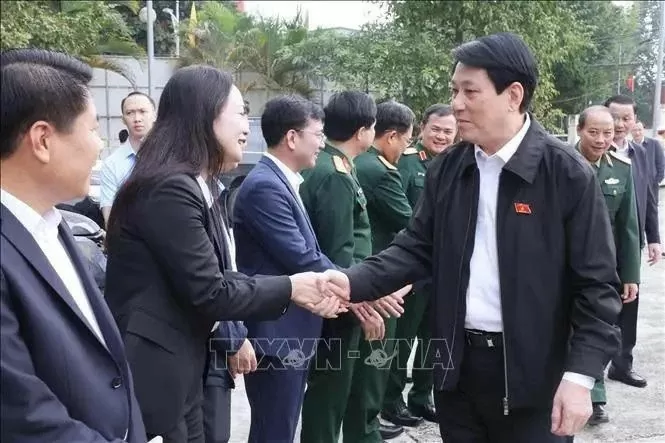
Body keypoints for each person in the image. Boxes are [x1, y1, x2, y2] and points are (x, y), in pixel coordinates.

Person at [324, 32, 623, 442]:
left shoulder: (565, 174)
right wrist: (350, 281)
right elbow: (416, 248)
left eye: (470, 91)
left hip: (536, 380)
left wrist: (580, 376)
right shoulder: (450, 170)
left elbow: (597, 286)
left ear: (513, 95)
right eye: (454, 90)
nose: (457, 103)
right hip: (458, 372)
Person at [103, 65, 348, 443]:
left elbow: (222, 274)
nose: (247, 126)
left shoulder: (198, 185)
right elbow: (210, 290)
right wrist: (291, 288)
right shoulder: (170, 188)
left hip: (190, 363)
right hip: (161, 371)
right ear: (205, 115)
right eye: (238, 112)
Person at [0, 48, 147, 442]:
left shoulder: (53, 223)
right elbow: (22, 416)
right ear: (43, 140)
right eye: (94, 129)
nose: (100, 145)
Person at [300, 91, 405, 442]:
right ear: (363, 130)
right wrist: (364, 305)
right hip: (340, 304)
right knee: (329, 394)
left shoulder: (338, 166)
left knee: (338, 391)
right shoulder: (335, 174)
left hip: (346, 300)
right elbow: (339, 253)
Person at [231, 95, 336, 442]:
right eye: (317, 134)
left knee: (280, 427)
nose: (322, 142)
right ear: (292, 138)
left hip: (291, 332)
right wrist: (361, 287)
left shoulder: (280, 182)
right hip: (277, 337)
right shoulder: (264, 186)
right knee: (273, 431)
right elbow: (303, 258)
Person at [382, 104, 458, 426]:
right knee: (404, 337)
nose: (441, 136)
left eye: (447, 131)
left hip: (444, 269)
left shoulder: (459, 164)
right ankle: (392, 400)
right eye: (436, 129)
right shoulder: (407, 164)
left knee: (434, 336)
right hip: (414, 268)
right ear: (423, 129)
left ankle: (422, 397)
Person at [353, 100, 417, 439]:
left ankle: (364, 422)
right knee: (377, 354)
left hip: (362, 271)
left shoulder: (356, 163)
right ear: (391, 136)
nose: (406, 148)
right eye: (406, 140)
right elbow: (409, 221)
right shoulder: (379, 171)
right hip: (382, 276)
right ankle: (367, 426)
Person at [575, 106, 641, 425]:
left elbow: (628, 225)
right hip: (561, 263)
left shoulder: (622, 168)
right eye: (594, 132)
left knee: (598, 327)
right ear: (579, 131)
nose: (602, 140)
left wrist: (630, 275)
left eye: (608, 133)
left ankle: (595, 396)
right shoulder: (560, 162)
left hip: (602, 267)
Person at [604, 95, 661, 388]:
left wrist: (654, 239)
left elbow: (649, 198)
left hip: (631, 244)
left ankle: (622, 364)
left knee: (629, 303)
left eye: (626, 118)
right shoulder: (592, 151)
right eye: (615, 117)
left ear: (634, 121)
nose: (620, 124)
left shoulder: (640, 153)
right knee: (596, 305)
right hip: (599, 246)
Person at [100, 91, 156, 225]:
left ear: (154, 115)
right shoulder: (112, 164)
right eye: (130, 113)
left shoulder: (170, 156)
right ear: (123, 119)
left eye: (143, 111)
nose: (137, 118)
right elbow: (109, 215)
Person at [631, 120, 665, 196]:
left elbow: (661, 164)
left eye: (639, 130)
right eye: (634, 130)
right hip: (635, 187)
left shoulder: (654, 144)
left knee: (652, 207)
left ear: (644, 130)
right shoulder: (629, 146)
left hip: (651, 186)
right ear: (631, 131)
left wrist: (656, 182)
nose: (637, 133)